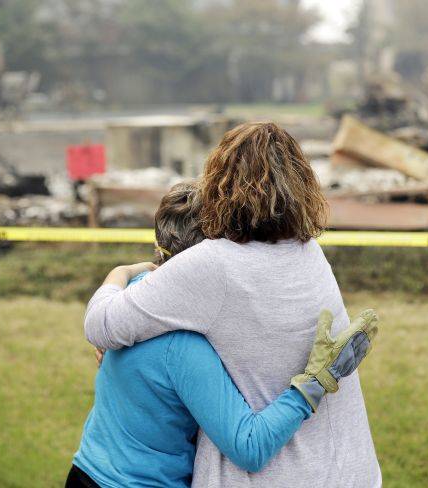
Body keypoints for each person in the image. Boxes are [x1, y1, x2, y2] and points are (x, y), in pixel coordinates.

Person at [85, 122, 382, 487]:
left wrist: (121, 273)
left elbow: (101, 324)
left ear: (220, 183)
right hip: (349, 468)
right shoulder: (310, 253)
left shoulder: (210, 263)